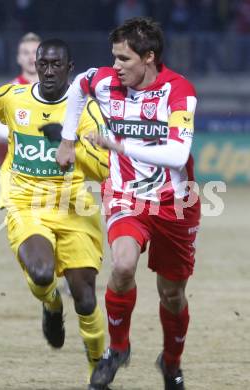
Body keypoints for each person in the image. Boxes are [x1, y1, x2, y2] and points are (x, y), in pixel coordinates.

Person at [56, 17, 200, 390]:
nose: (115, 66)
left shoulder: (179, 91)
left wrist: (120, 145)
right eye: (114, 57)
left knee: (172, 295)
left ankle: (171, 362)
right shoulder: (104, 81)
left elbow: (177, 152)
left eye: (124, 59)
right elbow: (77, 87)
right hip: (126, 195)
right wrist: (68, 139)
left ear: (149, 57)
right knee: (121, 266)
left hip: (174, 204)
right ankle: (117, 349)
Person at [0, 39, 110, 386]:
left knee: (86, 299)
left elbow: (104, 168)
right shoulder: (15, 98)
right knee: (42, 272)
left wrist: (70, 144)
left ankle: (97, 370)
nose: (49, 71)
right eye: (44, 64)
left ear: (70, 69)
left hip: (73, 205)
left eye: (58, 65)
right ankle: (51, 303)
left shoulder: (87, 113)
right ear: (36, 66)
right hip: (25, 200)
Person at [0, 32, 41, 140]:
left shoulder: (57, 89)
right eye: (26, 53)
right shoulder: (9, 90)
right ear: (18, 58)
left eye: (35, 52)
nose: (31, 57)